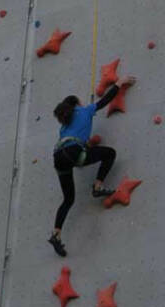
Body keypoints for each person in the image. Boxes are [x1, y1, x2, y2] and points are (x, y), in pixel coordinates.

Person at [48, 76, 136, 257]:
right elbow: (105, 100)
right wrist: (119, 83)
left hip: (59, 157)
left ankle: (56, 234)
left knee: (68, 200)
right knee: (110, 153)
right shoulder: (85, 110)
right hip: (73, 153)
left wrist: (85, 147)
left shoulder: (63, 128)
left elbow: (75, 140)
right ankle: (97, 186)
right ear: (77, 104)